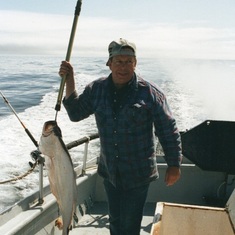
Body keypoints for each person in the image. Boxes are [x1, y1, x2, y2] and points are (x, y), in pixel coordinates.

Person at [59, 38, 182, 235]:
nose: (123, 67)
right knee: (115, 221)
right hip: (111, 173)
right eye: (118, 61)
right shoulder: (96, 89)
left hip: (138, 174)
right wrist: (70, 78)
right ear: (109, 63)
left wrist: (174, 165)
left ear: (135, 63)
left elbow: (168, 129)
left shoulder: (150, 94)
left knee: (130, 224)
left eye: (128, 62)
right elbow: (75, 113)